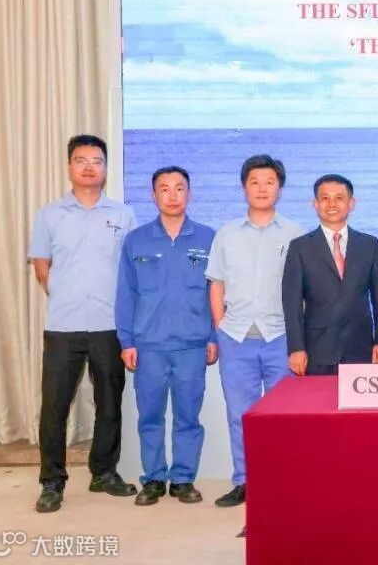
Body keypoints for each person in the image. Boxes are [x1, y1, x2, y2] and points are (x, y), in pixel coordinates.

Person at [28, 134, 138, 513]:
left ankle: (103, 472)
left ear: (105, 168)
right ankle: (52, 481)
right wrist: (64, 293)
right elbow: (41, 266)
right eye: (81, 160)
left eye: (96, 161)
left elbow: (130, 271)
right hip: (63, 326)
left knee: (109, 403)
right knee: (55, 407)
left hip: (109, 325)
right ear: (69, 166)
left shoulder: (122, 215)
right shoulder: (50, 214)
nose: (89, 167)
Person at [206, 154, 304, 509]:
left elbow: (303, 291)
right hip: (236, 338)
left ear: (280, 188)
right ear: (244, 187)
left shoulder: (295, 234)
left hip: (280, 338)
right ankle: (244, 481)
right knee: (241, 415)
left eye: (269, 182)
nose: (262, 189)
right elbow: (216, 284)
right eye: (255, 182)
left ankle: (281, 482)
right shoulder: (226, 234)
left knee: (282, 418)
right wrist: (220, 327)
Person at [115, 166, 217, 506]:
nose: (172, 196)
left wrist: (214, 337)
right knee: (150, 417)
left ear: (189, 193)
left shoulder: (208, 239)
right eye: (164, 189)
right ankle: (154, 479)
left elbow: (217, 294)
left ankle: (183, 479)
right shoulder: (137, 240)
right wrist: (127, 341)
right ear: (153, 195)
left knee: (188, 417)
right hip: (149, 347)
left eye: (179, 188)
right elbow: (126, 294)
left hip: (192, 345)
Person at [283, 174, 378, 373]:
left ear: (351, 203)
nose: (331, 203)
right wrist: (296, 348)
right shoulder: (300, 247)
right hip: (316, 350)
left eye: (339, 198)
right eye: (325, 198)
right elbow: (292, 303)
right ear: (315, 204)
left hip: (361, 348)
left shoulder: (369, 245)